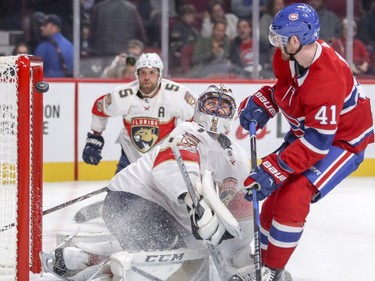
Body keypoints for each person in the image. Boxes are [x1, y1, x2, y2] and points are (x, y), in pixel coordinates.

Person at [40, 84, 255, 281]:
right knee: (167, 259)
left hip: (168, 215)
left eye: (223, 106)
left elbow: (242, 204)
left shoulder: (237, 155)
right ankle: (103, 273)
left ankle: (76, 258)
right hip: (129, 201)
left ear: (232, 113)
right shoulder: (188, 132)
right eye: (211, 103)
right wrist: (195, 203)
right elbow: (170, 167)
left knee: (188, 254)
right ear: (199, 107)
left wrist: (241, 248)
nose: (216, 110)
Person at [231, 3, 374, 281]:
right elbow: (289, 90)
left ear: (295, 41)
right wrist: (269, 100)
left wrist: (277, 167)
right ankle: (261, 263)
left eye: (280, 39)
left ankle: (272, 271)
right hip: (308, 132)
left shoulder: (327, 77)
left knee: (294, 194)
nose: (275, 44)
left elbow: (318, 143)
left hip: (343, 140)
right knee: (269, 195)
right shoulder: (286, 56)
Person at [77, 53, 197, 223]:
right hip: (130, 158)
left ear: (160, 74)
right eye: (143, 73)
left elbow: (197, 118)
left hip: (162, 159)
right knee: (117, 206)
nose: (147, 77)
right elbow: (99, 108)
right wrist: (94, 139)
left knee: (169, 202)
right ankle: (116, 211)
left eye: (152, 72)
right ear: (137, 74)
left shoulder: (176, 95)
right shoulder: (124, 95)